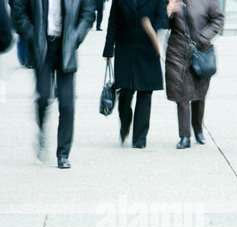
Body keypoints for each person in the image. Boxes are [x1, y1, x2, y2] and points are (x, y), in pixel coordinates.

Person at [13, 0, 95, 169]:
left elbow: (88, 13)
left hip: (66, 46)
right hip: (42, 47)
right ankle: (42, 131)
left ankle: (63, 154)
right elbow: (19, 11)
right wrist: (32, 35)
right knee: (43, 97)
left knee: (67, 105)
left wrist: (76, 36)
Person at [103, 0, 168, 149]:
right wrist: (108, 49)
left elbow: (163, 19)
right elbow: (113, 21)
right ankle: (125, 125)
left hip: (148, 50)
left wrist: (153, 29)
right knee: (125, 92)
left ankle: (139, 139)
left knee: (145, 95)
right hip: (125, 50)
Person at [166, 0, 224, 150]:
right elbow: (160, 21)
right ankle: (185, 136)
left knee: (199, 94)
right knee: (182, 94)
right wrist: (168, 12)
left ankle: (198, 129)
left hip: (200, 51)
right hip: (177, 51)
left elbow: (218, 19)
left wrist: (203, 37)